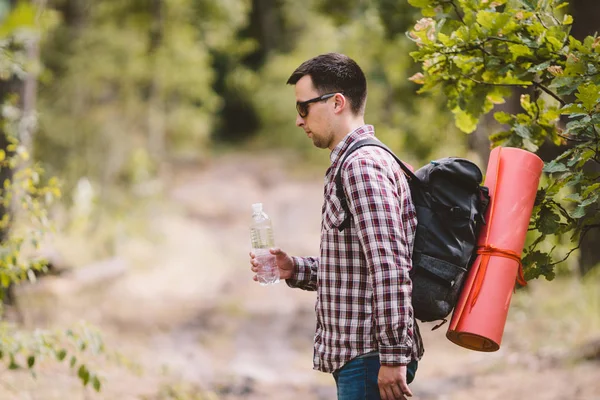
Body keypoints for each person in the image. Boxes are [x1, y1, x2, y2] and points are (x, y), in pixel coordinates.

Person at [249, 53, 423, 400]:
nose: (299, 121)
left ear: (337, 102)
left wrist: (392, 355)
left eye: (303, 108)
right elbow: (356, 269)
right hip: (362, 357)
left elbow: (390, 265)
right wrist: (294, 268)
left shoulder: (361, 166)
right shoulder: (354, 162)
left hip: (369, 357)